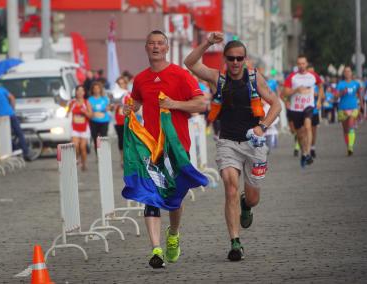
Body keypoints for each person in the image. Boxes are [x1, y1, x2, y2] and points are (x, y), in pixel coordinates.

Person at [184, 32, 281, 261]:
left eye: (239, 58)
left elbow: (276, 104)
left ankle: (246, 205)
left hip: (254, 143)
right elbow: (190, 63)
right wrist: (207, 42)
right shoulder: (218, 79)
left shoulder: (255, 78)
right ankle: (235, 242)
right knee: (230, 187)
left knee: (253, 197)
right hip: (227, 141)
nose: (235, 63)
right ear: (225, 60)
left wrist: (263, 127)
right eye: (231, 58)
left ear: (245, 59)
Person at [123, 30, 206, 269]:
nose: (156, 47)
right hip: (151, 148)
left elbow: (201, 103)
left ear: (167, 48)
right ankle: (156, 249)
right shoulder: (140, 79)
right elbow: (137, 101)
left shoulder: (181, 75)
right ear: (146, 48)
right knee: (150, 196)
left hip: (177, 148)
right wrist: (129, 108)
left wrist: (174, 104)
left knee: (174, 198)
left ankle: (174, 233)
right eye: (152, 44)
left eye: (160, 43)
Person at [283, 55, 324, 168]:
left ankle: (309, 153)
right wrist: (296, 89)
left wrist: (319, 101)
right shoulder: (292, 77)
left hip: (308, 106)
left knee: (308, 127)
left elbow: (321, 87)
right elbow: (285, 93)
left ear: (306, 64)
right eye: (299, 64)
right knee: (300, 135)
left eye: (303, 63)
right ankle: (304, 153)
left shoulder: (313, 76)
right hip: (296, 108)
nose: (301, 66)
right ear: (297, 65)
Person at [0, 80, 31, 160]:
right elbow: (12, 98)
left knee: (4, 135)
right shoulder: (1, 89)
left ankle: (15, 149)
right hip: (10, 114)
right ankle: (25, 152)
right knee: (19, 133)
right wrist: (12, 109)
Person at [336, 66, 361, 156]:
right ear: (344, 73)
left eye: (349, 71)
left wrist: (360, 106)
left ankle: (350, 146)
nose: (347, 73)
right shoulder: (340, 84)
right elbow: (336, 96)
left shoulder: (356, 84)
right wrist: (342, 92)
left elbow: (359, 94)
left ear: (351, 73)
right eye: (345, 71)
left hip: (353, 107)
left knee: (351, 126)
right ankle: (348, 147)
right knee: (345, 130)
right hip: (342, 108)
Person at [66, 85, 93, 171]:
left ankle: (84, 163)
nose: (80, 93)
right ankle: (76, 159)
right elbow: (67, 113)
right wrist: (67, 114)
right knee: (75, 146)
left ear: (84, 93)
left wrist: (85, 112)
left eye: (82, 91)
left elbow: (91, 115)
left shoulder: (86, 102)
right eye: (78, 91)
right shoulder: (72, 103)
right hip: (74, 128)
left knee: (82, 147)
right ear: (76, 92)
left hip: (84, 128)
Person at [88, 81, 111, 156]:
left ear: (100, 89)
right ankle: (97, 154)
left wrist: (109, 107)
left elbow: (109, 107)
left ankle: (104, 154)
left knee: (103, 137)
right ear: (92, 90)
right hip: (94, 121)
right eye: (94, 89)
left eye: (98, 88)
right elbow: (90, 110)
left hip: (104, 121)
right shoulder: (90, 99)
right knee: (95, 138)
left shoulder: (105, 99)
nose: (96, 90)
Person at [113, 76, 130, 167]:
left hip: (129, 120)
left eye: (123, 83)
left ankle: (127, 158)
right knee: (121, 139)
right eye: (119, 83)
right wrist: (114, 106)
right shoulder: (115, 94)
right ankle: (122, 158)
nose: (121, 85)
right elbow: (110, 107)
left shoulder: (129, 94)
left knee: (128, 140)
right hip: (118, 120)